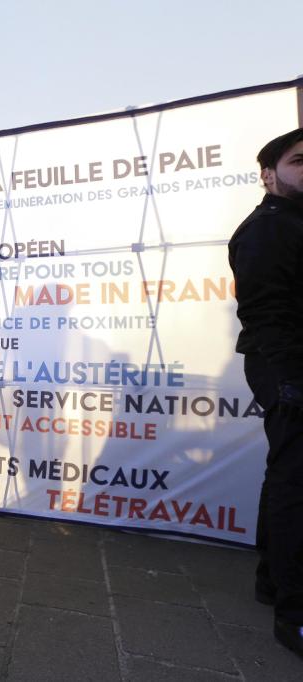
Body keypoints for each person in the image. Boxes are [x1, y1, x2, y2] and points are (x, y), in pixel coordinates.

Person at [229, 127, 303, 658]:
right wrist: (288, 380)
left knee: (287, 475)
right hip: (289, 367)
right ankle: (294, 614)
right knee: (297, 485)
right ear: (269, 174)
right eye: (300, 161)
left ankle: (271, 581)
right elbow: (267, 312)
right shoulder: (267, 229)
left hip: (287, 366)